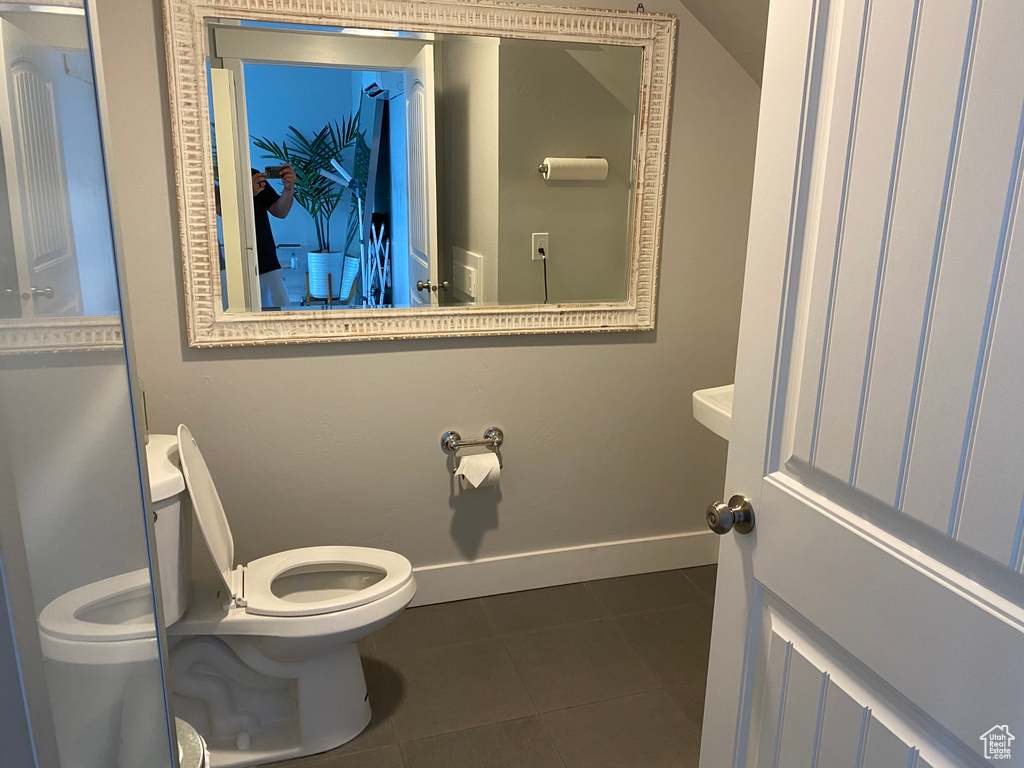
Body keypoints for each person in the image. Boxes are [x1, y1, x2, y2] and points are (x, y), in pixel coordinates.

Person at [251, 163, 297, 309]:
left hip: (267, 263)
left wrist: (288, 189)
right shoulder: (213, 179)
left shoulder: (252, 174)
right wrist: (247, 193)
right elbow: (222, 213)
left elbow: (279, 211)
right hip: (232, 268)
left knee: (282, 321)